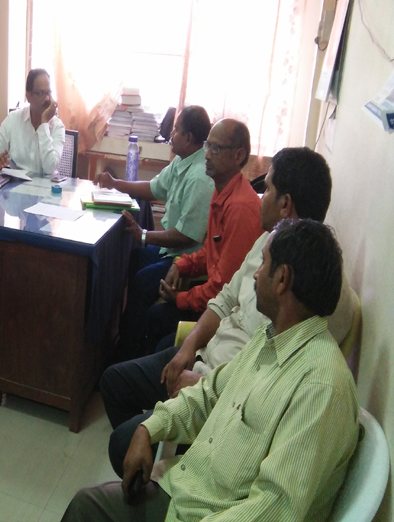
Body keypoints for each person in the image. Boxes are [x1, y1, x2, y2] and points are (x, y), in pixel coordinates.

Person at [63, 219, 359, 522]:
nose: (256, 274)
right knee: (89, 501)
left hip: (207, 513)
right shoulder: (268, 340)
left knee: (85, 509)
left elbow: (273, 510)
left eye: (264, 264)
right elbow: (208, 394)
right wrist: (148, 428)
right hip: (192, 491)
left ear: (282, 279)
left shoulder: (321, 388)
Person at [101, 147, 354, 478]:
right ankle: (154, 460)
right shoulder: (268, 241)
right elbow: (225, 297)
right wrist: (189, 347)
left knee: (121, 442)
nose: (260, 196)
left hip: (225, 398)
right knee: (114, 383)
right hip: (205, 361)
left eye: (267, 188)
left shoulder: (311, 292)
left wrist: (203, 385)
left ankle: (168, 465)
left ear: (285, 204)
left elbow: (269, 383)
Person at [132, 118, 263, 358]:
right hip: (212, 296)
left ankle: (137, 370)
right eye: (207, 146)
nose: (207, 155)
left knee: (155, 319)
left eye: (216, 148)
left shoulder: (241, 207)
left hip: (224, 311)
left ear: (239, 155)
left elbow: (224, 287)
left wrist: (182, 298)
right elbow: (211, 252)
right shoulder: (221, 191)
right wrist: (182, 264)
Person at [94, 106, 215, 361]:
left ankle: (128, 354)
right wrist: (115, 184)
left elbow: (187, 235)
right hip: (171, 250)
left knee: (142, 281)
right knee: (135, 258)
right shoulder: (182, 161)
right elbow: (152, 188)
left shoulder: (200, 177)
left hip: (186, 258)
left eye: (176, 130)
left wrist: (144, 235)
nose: (171, 134)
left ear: (189, 138)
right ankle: (125, 337)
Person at [0, 68, 65, 175]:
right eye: (41, 94)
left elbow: (50, 168)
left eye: (48, 93)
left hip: (45, 185)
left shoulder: (57, 126)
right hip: (16, 183)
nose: (47, 99)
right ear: (28, 96)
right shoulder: (13, 119)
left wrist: (44, 122)